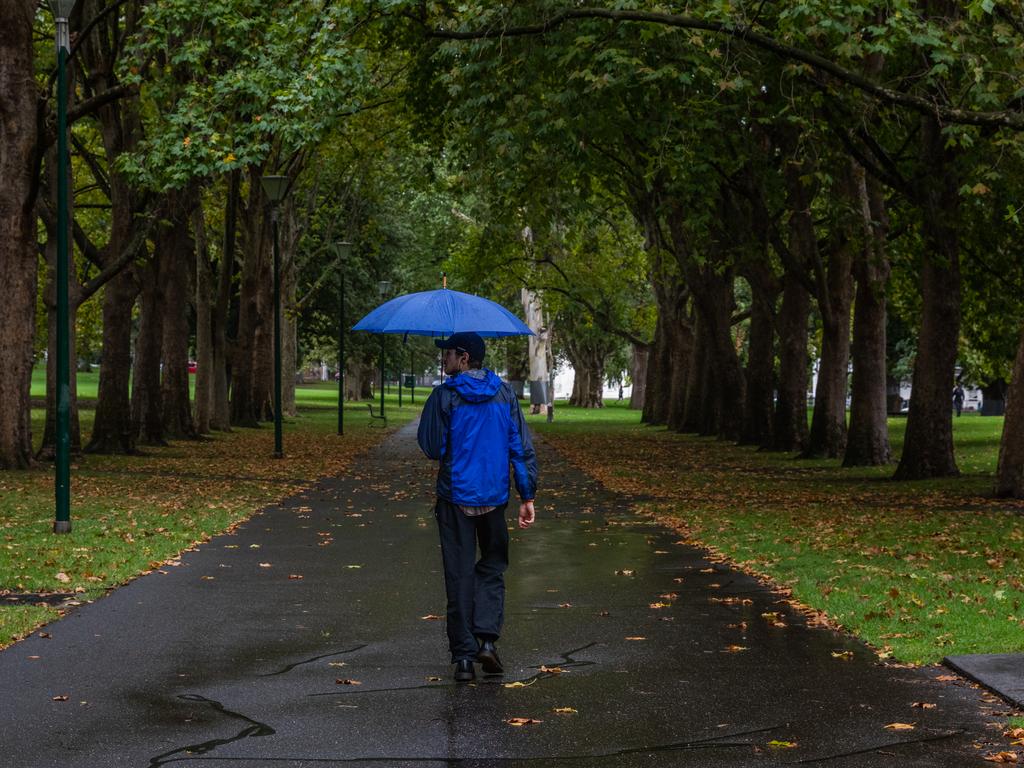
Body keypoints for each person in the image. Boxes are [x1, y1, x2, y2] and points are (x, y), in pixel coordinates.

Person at [417, 332, 537, 682]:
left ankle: (464, 660)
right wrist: (527, 495)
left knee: (459, 575)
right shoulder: (504, 394)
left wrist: (437, 409)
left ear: (464, 358)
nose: (444, 360)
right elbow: (520, 447)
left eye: (448, 354)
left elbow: (432, 447)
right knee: (493, 567)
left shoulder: (445, 396)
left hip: (455, 498)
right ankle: (486, 640)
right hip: (494, 498)